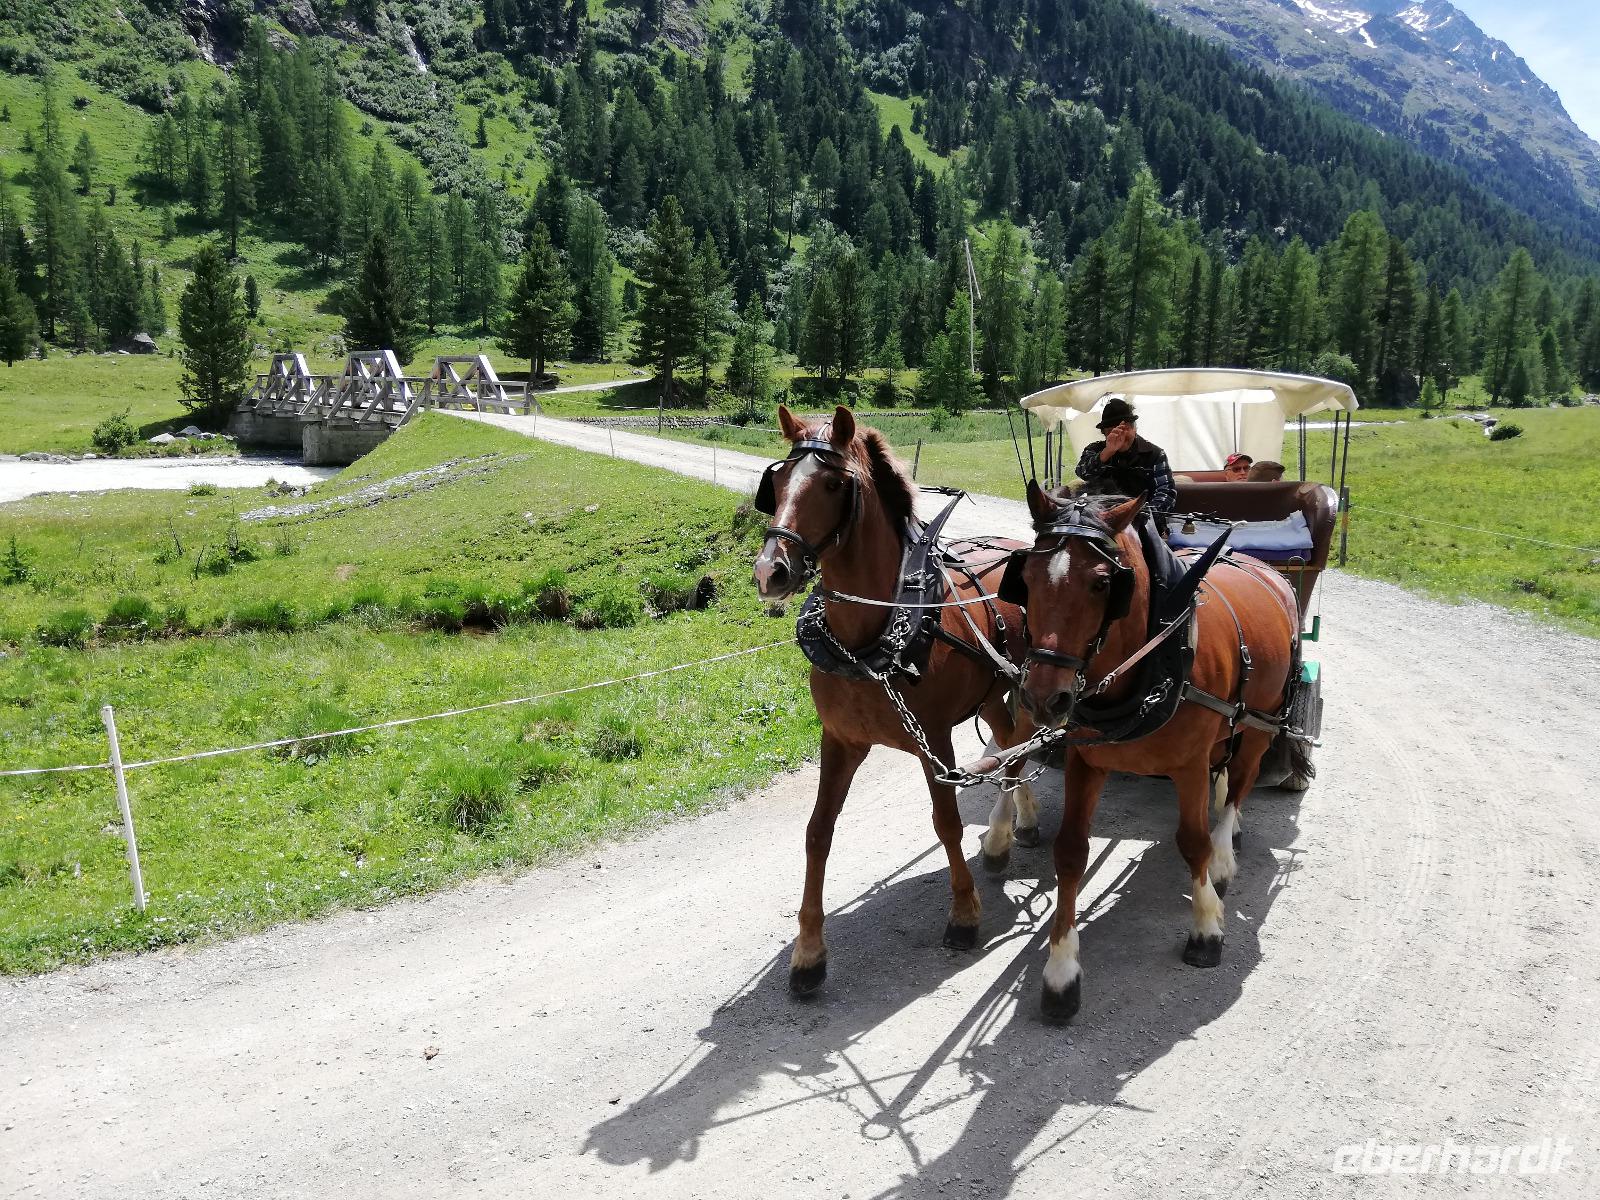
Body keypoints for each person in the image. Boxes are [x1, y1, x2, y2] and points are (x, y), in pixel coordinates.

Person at [1075, 398, 1176, 517]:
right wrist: (1107, 452)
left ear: (1134, 429)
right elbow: (1082, 472)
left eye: (1124, 429)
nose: (1120, 436)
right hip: (1100, 519)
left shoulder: (1154, 454)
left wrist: (1142, 515)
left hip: (1142, 519)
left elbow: (1166, 493)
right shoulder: (1094, 450)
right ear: (1105, 434)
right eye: (1112, 431)